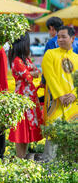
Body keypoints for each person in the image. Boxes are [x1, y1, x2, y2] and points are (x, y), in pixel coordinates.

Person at [41, 26, 78, 160]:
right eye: (58, 37)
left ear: (72, 39)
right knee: (53, 137)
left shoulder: (77, 58)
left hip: (73, 105)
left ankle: (70, 172)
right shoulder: (50, 54)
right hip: (55, 103)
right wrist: (60, 95)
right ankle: (49, 172)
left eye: (64, 37)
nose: (60, 39)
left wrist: (74, 94)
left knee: (73, 139)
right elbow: (50, 77)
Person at [8, 32, 44, 159]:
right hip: (22, 98)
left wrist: (31, 73)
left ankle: (22, 158)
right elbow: (29, 77)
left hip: (29, 96)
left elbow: (37, 72)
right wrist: (31, 73)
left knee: (27, 129)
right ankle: (20, 158)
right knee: (21, 128)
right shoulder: (17, 60)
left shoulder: (25, 60)